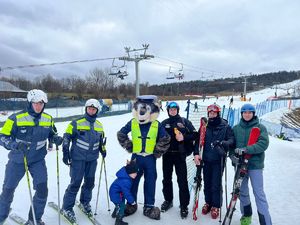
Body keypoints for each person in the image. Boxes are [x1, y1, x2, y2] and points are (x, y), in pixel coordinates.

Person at [0, 89, 62, 225]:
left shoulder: (48, 118)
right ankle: (1, 214)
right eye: (35, 103)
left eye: (41, 103)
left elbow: (52, 133)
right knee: (8, 189)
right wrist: (14, 144)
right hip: (18, 159)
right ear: (30, 103)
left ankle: (34, 219)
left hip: (37, 160)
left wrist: (55, 138)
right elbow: (2, 137)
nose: (38, 106)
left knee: (42, 190)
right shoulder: (15, 118)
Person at [117, 95, 170, 220]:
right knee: (132, 181)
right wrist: (129, 146)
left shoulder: (156, 125)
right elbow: (121, 133)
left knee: (150, 181)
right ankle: (131, 203)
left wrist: (158, 151)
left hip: (150, 159)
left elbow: (166, 138)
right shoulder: (133, 122)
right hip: (136, 158)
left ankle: (149, 206)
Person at [61, 99, 106, 223]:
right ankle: (67, 207)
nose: (91, 111)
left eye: (94, 109)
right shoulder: (76, 123)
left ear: (97, 110)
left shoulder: (99, 125)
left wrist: (103, 149)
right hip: (78, 158)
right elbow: (67, 137)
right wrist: (65, 150)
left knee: (90, 183)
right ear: (86, 109)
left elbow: (101, 140)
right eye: (89, 109)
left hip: (92, 159)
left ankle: (85, 202)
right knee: (75, 182)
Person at [230, 104, 272, 225]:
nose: (247, 114)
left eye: (250, 112)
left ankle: (266, 221)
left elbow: (263, 144)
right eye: (245, 112)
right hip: (239, 165)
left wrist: (246, 150)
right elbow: (232, 146)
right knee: (242, 192)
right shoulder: (236, 128)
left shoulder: (260, 127)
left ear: (253, 114)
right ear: (242, 114)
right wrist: (232, 156)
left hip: (255, 166)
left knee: (259, 193)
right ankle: (246, 215)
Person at [194, 104, 234, 220]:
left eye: (214, 113)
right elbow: (198, 141)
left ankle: (216, 205)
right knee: (206, 182)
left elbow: (232, 140)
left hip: (218, 159)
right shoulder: (204, 126)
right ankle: (208, 202)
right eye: (210, 113)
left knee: (215, 183)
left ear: (218, 113)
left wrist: (224, 144)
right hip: (206, 159)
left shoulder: (224, 126)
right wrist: (196, 153)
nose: (212, 115)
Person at [160, 102, 198, 218]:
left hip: (180, 156)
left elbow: (195, 135)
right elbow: (156, 137)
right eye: (171, 109)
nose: (173, 111)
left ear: (177, 110)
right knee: (166, 179)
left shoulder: (184, 122)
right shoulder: (164, 123)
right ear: (168, 111)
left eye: (175, 109)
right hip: (167, 156)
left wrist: (184, 137)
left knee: (182, 181)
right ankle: (168, 200)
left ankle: (184, 206)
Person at [109, 159, 139, 225]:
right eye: (135, 173)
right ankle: (118, 221)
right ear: (130, 172)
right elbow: (127, 193)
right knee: (122, 207)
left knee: (118, 205)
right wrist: (132, 201)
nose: (136, 174)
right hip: (116, 195)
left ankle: (114, 214)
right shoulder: (126, 181)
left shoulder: (125, 177)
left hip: (117, 193)